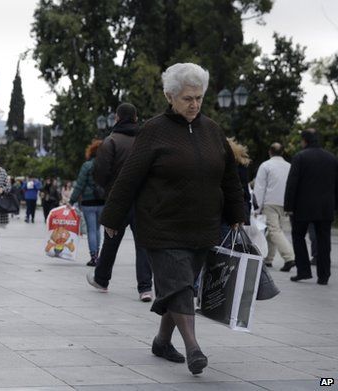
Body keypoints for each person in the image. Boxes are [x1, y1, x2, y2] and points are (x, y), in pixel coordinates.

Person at [99, 63, 245, 375]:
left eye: (199, 98)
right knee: (179, 285)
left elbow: (229, 177)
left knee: (181, 285)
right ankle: (194, 348)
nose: (194, 104)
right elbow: (129, 176)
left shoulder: (212, 131)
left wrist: (236, 214)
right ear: (170, 96)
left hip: (202, 225)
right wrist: (112, 215)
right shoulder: (153, 130)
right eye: (187, 98)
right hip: (160, 224)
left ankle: (162, 340)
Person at [90, 103, 153, 302]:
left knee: (111, 241)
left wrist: (107, 190)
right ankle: (145, 288)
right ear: (136, 118)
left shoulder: (110, 142)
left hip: (118, 200)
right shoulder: (146, 140)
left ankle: (101, 280)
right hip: (142, 200)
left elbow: (100, 173)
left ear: (117, 118)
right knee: (143, 244)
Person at [284, 129, 338, 285]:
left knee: (298, 236)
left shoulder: (300, 157)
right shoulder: (331, 158)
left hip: (303, 207)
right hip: (325, 208)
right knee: (324, 241)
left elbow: (292, 184)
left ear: (304, 141)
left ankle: (304, 271)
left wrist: (288, 206)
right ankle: (324, 275)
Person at [253, 142, 295, 270]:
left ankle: (290, 257)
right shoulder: (289, 166)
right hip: (285, 202)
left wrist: (256, 207)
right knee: (275, 231)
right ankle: (268, 259)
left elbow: (260, 188)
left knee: (273, 230)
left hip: (269, 202)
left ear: (269, 152)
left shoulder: (265, 165)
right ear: (282, 152)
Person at [69, 140, 106, 266]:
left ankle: (93, 257)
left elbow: (80, 185)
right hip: (102, 201)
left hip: (88, 202)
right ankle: (99, 255)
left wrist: (72, 200)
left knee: (91, 229)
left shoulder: (87, 165)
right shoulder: (106, 165)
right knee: (97, 229)